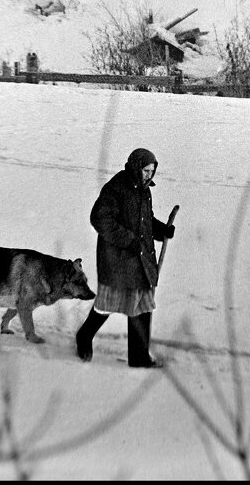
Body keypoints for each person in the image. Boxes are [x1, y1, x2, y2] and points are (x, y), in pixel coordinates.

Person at [76, 148, 175, 368]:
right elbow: (99, 219)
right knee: (108, 304)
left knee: (142, 307)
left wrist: (161, 230)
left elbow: (144, 220)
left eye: (152, 171)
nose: (149, 175)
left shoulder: (144, 190)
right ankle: (84, 336)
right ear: (135, 167)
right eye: (145, 170)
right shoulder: (116, 188)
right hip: (117, 260)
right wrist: (128, 240)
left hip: (139, 260)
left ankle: (139, 358)